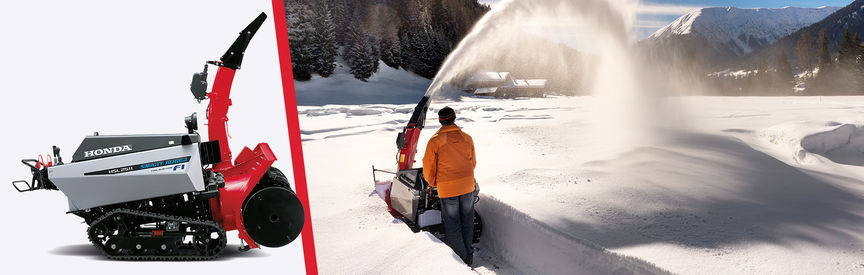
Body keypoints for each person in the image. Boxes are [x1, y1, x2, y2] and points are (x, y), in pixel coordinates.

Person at [422, 106, 477, 265]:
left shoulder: (435, 141)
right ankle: (469, 254)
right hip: (467, 185)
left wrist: (433, 183)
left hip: (448, 188)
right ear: (454, 118)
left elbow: (428, 167)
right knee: (467, 220)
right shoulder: (467, 137)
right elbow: (472, 162)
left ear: (440, 121)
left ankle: (462, 260)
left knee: (453, 224)